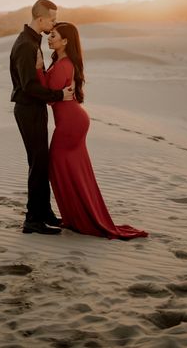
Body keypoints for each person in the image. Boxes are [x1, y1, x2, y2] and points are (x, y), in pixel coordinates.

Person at [36, 21, 148, 240]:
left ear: (65, 41)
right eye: (49, 35)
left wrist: (39, 69)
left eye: (53, 36)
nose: (49, 38)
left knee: (60, 169)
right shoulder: (61, 61)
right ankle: (77, 217)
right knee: (70, 171)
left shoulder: (64, 65)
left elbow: (47, 95)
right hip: (72, 121)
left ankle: (81, 218)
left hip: (70, 124)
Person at [10, 0, 74, 235]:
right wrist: (58, 94)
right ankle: (32, 220)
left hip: (34, 109)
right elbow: (28, 87)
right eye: (52, 19)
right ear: (40, 19)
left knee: (41, 163)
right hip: (28, 109)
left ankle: (44, 212)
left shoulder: (32, 41)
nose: (54, 23)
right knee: (38, 164)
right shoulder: (27, 45)